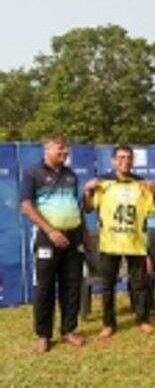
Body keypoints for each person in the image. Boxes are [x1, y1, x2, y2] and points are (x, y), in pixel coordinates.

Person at [19, 133, 86, 353]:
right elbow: (26, 206)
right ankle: (43, 335)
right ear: (46, 150)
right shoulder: (32, 173)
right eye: (60, 149)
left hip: (73, 237)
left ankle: (68, 330)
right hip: (47, 238)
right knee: (45, 288)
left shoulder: (71, 175)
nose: (64, 153)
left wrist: (84, 233)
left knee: (72, 285)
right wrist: (51, 230)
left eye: (66, 150)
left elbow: (75, 205)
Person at [83, 145, 155, 337]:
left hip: (135, 242)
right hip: (110, 243)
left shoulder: (141, 183)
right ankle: (108, 324)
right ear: (113, 160)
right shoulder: (103, 183)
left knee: (139, 283)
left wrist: (154, 192)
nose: (125, 161)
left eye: (129, 158)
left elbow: (153, 209)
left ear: (133, 161)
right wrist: (88, 191)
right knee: (108, 285)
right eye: (121, 158)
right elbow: (89, 208)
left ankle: (143, 319)